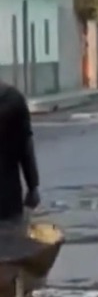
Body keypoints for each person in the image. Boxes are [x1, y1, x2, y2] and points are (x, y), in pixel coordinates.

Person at [0, 80, 41, 232]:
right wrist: (32, 186)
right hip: (8, 198)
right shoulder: (13, 97)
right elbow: (25, 147)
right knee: (11, 239)